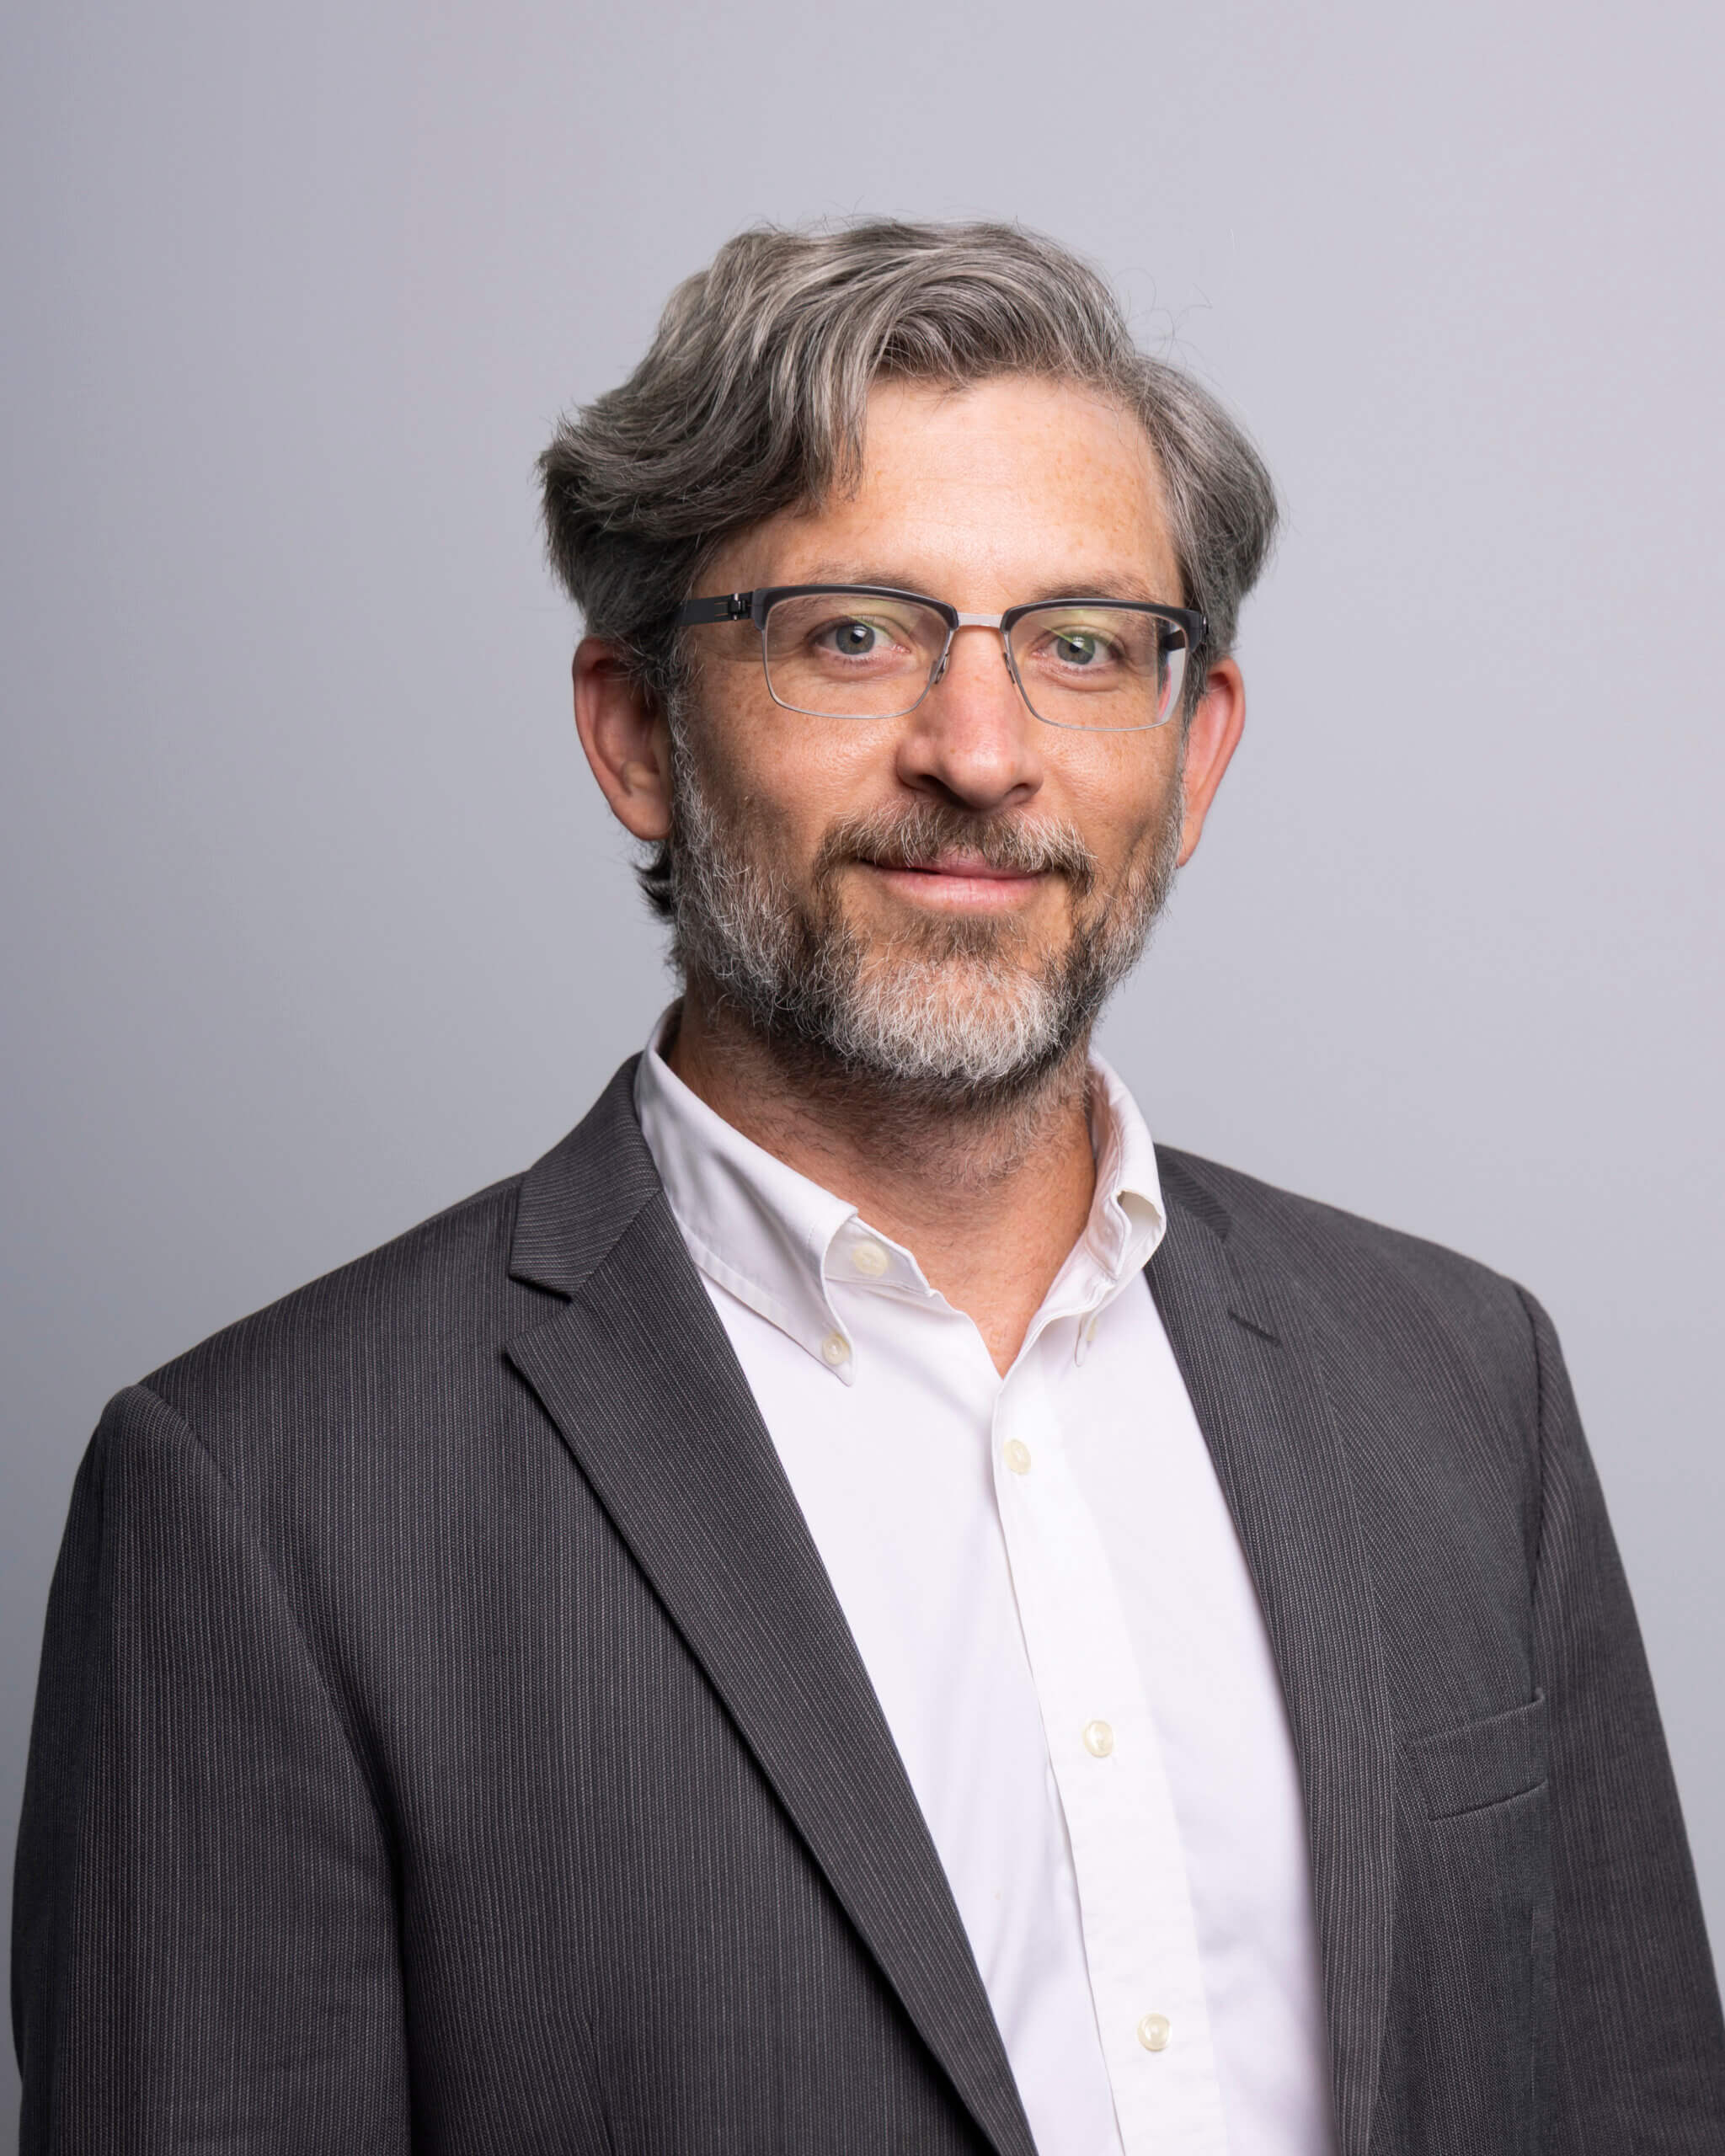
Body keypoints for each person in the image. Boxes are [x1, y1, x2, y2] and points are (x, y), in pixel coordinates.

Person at [13, 220, 1722, 2156]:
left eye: (1081, 644)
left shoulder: (1462, 1380)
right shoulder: (265, 1504)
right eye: (854, 632)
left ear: (1193, 752)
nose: (980, 753)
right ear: (638, 731)